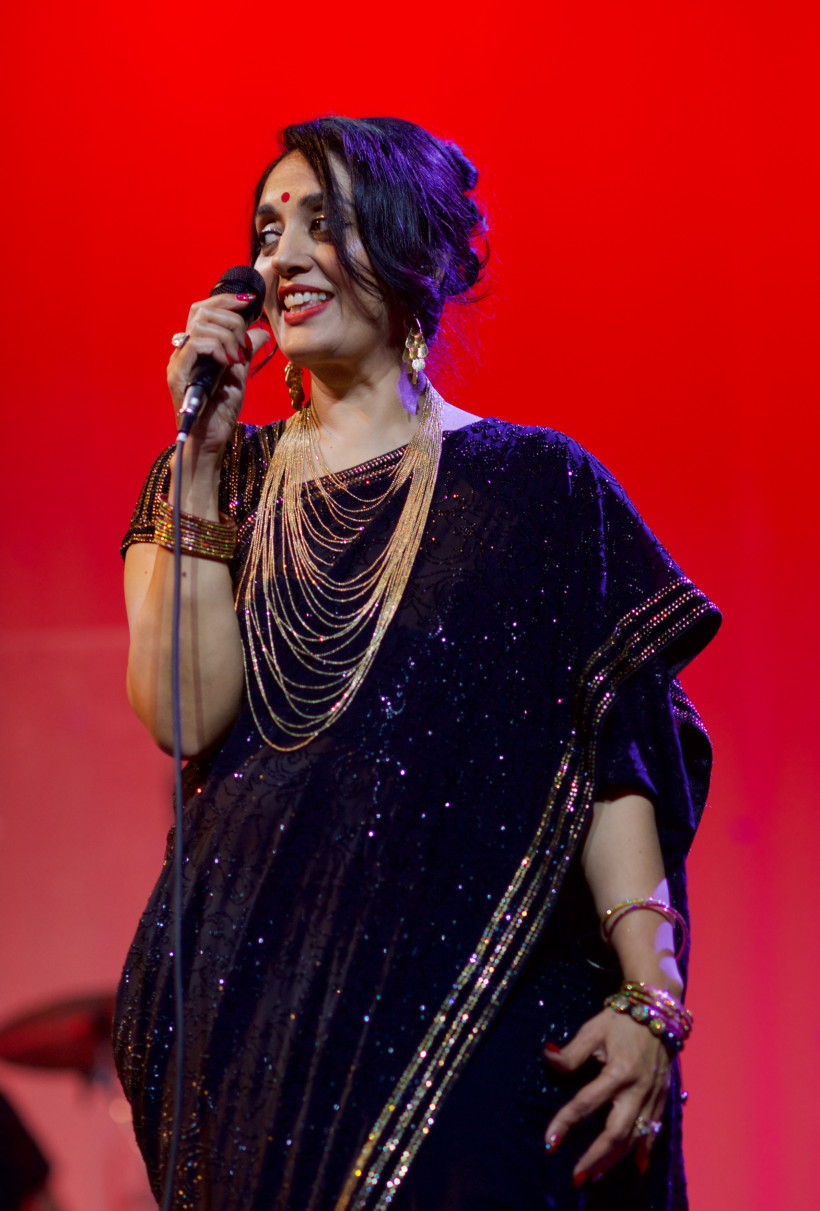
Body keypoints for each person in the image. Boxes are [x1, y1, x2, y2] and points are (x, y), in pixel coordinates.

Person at [113, 116, 719, 1211]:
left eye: (324, 223)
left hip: (477, 1015)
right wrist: (198, 459)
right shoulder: (211, 479)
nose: (283, 258)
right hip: (243, 1024)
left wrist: (651, 995)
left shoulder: (536, 487)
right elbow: (181, 715)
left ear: (419, 254)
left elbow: (614, 765)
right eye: (266, 232)